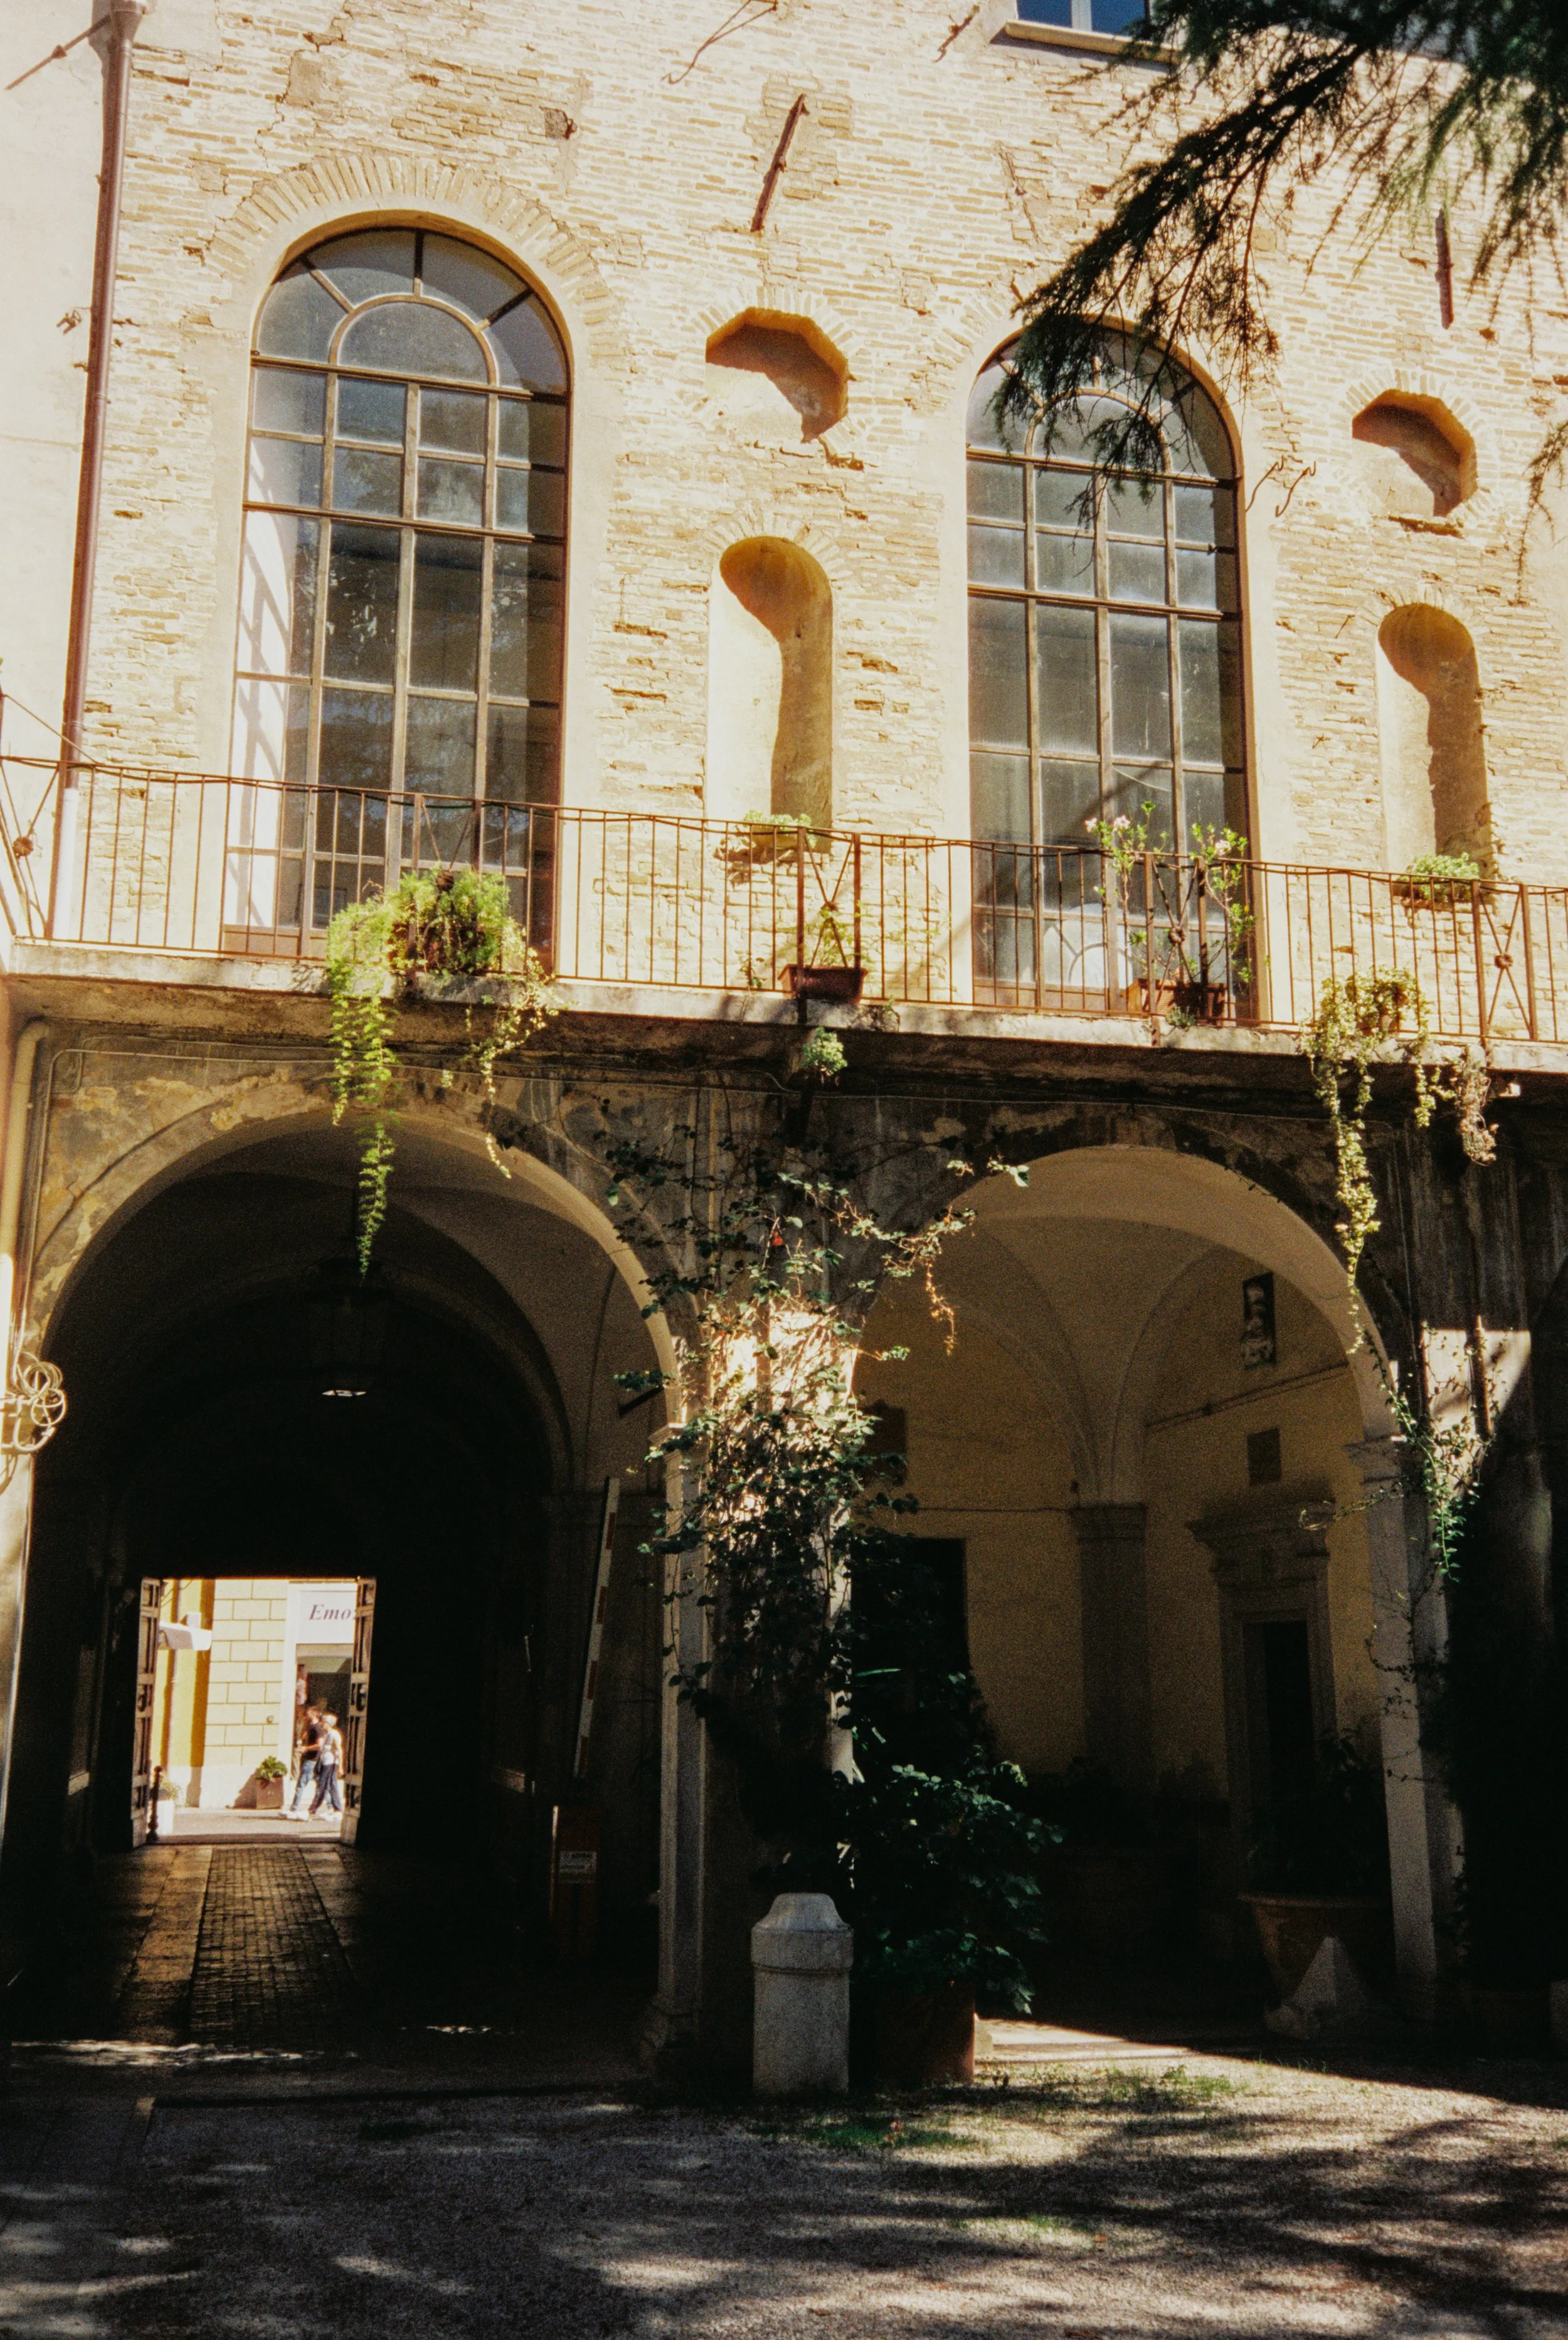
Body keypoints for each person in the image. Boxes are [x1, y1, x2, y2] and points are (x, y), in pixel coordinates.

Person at [288, 1706, 323, 1819]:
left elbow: (320, 1745)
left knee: (302, 1783)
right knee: (320, 1785)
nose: (306, 1716)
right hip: (313, 1759)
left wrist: (306, 1749)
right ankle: (331, 1807)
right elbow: (302, 1737)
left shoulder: (317, 1729)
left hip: (312, 1760)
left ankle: (293, 1808)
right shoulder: (311, 1727)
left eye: (308, 1714)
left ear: (313, 1715)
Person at [310, 1711, 344, 1817]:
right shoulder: (326, 1734)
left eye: (324, 1722)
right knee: (332, 1785)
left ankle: (312, 1809)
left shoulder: (333, 1734)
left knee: (323, 1785)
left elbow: (339, 1749)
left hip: (331, 1763)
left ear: (329, 1724)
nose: (322, 1724)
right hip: (326, 1762)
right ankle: (337, 1809)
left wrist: (341, 1767)